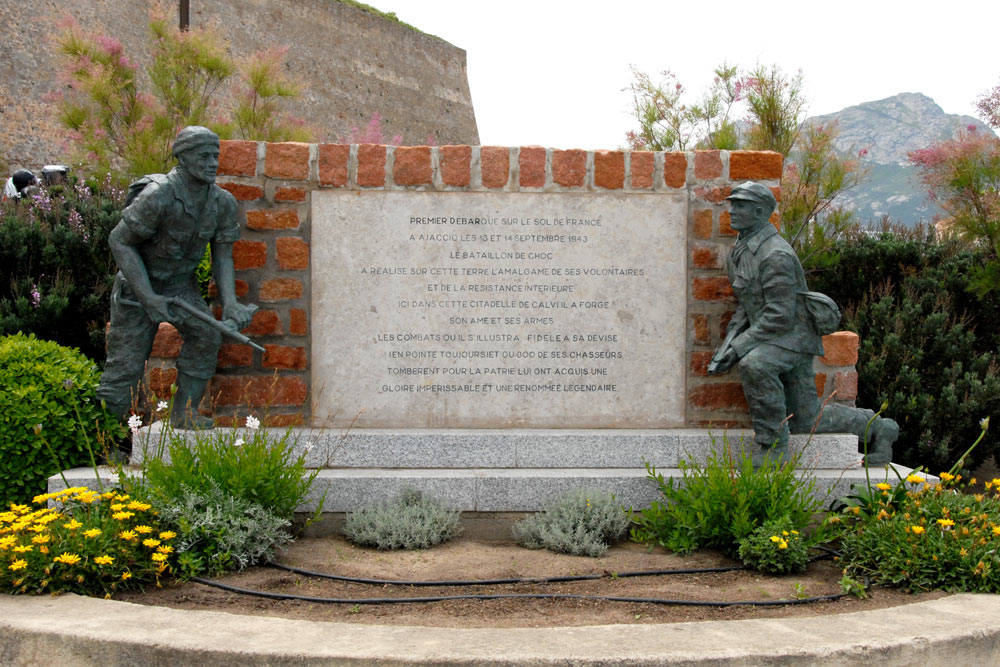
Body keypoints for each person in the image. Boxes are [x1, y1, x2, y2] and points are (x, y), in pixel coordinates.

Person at [708, 181, 898, 466]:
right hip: (774, 335)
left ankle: (773, 448)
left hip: (791, 338)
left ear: (760, 212)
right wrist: (728, 346)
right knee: (807, 419)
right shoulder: (742, 249)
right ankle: (880, 427)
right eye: (732, 204)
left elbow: (780, 315)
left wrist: (739, 348)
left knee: (756, 364)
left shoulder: (776, 255)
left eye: (740, 205)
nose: (732, 210)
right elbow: (747, 306)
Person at [96, 126, 254, 428]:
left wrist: (231, 303)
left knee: (207, 335)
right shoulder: (158, 196)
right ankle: (108, 440)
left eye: (215, 156)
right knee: (125, 365)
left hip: (180, 288)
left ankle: (185, 413)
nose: (212, 163)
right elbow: (120, 241)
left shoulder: (222, 203)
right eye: (204, 156)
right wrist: (148, 297)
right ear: (182, 158)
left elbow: (223, 255)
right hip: (138, 289)